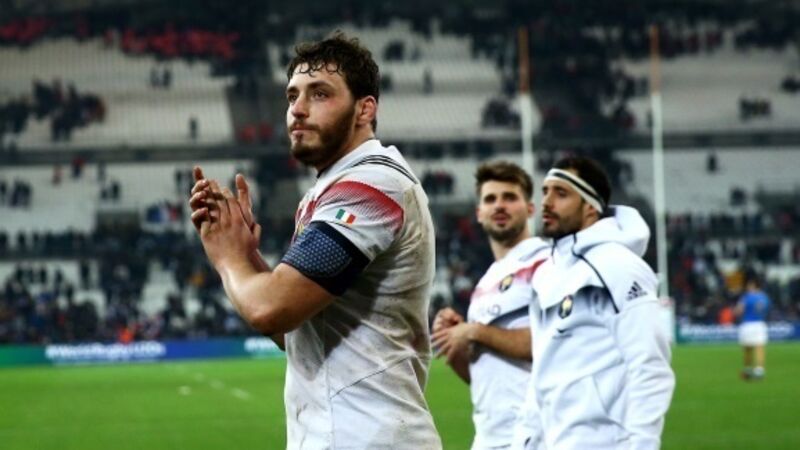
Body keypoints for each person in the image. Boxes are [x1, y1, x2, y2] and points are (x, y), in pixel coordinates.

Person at [188, 33, 441, 449]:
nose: (298, 109)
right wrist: (248, 257)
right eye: (292, 96)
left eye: (319, 94)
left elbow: (270, 309)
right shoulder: (334, 188)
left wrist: (227, 257)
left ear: (365, 109)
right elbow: (298, 333)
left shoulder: (370, 185)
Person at [516, 156, 675, 450]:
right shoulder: (546, 275)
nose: (547, 202)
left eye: (561, 193)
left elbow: (650, 367)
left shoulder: (619, 266)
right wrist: (525, 441)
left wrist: (642, 445)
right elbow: (541, 372)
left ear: (590, 207)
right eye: (545, 191)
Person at [432, 161, 548, 450]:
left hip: (537, 435)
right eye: (490, 199)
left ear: (530, 208)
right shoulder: (487, 282)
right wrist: (454, 343)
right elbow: (483, 377)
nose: (499, 205)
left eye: (510, 197)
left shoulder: (546, 263)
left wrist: (474, 332)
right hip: (490, 437)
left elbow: (550, 342)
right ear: (479, 213)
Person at [735, 278, 771, 380]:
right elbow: (767, 310)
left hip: (748, 324)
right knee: (760, 347)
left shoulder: (747, 297)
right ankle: (759, 370)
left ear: (753, 286)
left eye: (749, 285)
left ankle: (747, 370)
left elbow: (739, 311)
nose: (747, 287)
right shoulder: (765, 297)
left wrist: (736, 312)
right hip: (760, 323)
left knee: (747, 348)